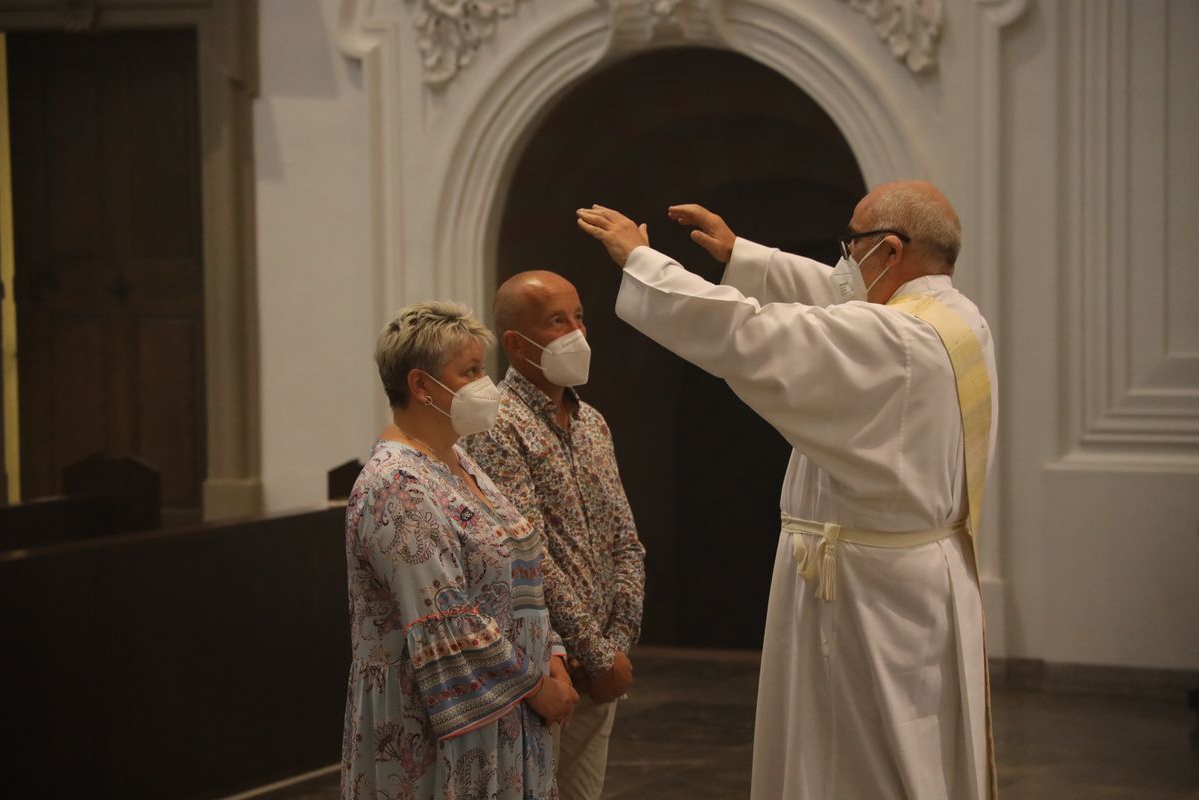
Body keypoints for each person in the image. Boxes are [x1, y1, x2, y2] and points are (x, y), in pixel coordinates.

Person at [576, 180, 998, 800]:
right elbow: (838, 298)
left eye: (848, 243)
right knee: (903, 746)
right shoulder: (956, 318)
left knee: (863, 761)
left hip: (868, 597)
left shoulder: (895, 343)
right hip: (912, 579)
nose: (841, 262)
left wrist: (645, 264)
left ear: (888, 250)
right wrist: (742, 256)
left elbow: (754, 333)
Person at [341, 301, 579, 800]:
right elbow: (445, 617)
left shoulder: (460, 461)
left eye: (482, 369)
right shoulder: (396, 486)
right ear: (422, 386)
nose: (484, 385)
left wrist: (551, 653)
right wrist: (538, 689)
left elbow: (519, 567)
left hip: (511, 701)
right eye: (469, 371)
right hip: (438, 723)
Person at [464, 271, 647, 800]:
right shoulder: (498, 424)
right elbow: (530, 556)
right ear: (517, 344)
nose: (577, 333)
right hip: (550, 665)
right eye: (557, 321)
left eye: (579, 316)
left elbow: (626, 540)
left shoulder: (593, 423)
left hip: (603, 666)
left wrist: (617, 646)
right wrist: (592, 650)